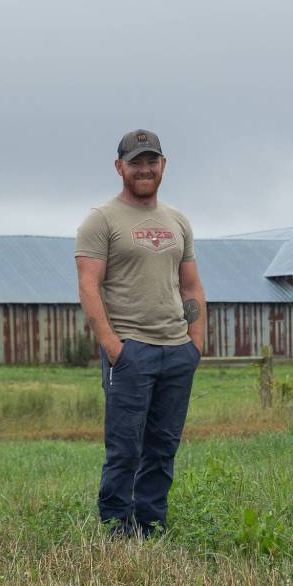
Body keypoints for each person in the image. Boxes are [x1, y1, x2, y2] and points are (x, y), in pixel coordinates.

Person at [74, 129, 206, 539]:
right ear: (120, 168)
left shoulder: (177, 221)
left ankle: (151, 526)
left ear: (163, 165)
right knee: (125, 449)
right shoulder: (101, 220)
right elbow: (88, 286)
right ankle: (116, 529)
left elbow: (191, 286)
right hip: (131, 351)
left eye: (152, 161)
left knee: (162, 447)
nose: (144, 169)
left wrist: (195, 343)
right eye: (136, 162)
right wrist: (114, 347)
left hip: (176, 350)